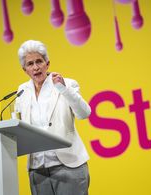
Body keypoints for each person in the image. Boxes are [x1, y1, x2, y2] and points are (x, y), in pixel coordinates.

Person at [15, 40, 91, 195]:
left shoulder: (66, 84)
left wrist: (64, 89)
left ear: (47, 63)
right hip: (37, 170)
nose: (35, 67)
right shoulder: (22, 91)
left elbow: (84, 113)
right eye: (30, 64)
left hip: (69, 165)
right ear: (25, 69)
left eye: (39, 61)